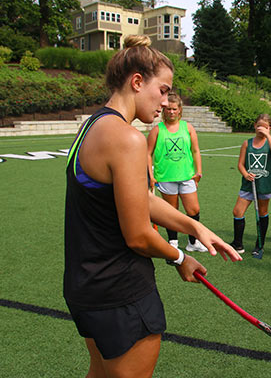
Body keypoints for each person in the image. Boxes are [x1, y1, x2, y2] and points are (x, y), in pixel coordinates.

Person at [63, 35, 242, 378]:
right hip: (120, 292)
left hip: (87, 286)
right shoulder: (127, 139)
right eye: (162, 90)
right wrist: (180, 258)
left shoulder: (92, 126)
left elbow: (140, 199)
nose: (166, 101)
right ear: (136, 81)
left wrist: (195, 227)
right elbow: (139, 237)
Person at [147, 91, 207, 252]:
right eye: (168, 109)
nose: (171, 112)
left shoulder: (187, 127)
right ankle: (173, 241)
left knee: (193, 210)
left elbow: (195, 150)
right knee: (171, 212)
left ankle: (193, 242)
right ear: (163, 111)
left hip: (187, 176)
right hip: (166, 177)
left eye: (174, 109)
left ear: (180, 110)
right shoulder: (157, 130)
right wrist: (151, 176)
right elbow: (147, 153)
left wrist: (198, 171)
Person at [230, 114, 271, 255]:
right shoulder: (247, 143)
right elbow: (240, 164)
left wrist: (268, 136)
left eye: (265, 127)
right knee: (237, 211)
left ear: (270, 128)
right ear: (254, 126)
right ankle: (238, 244)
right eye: (259, 126)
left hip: (264, 184)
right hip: (248, 184)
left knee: (262, 212)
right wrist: (245, 174)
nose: (261, 129)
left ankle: (260, 244)